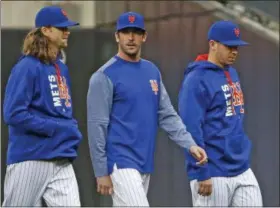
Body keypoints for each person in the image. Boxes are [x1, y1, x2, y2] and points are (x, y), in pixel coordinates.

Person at [87, 11, 208, 207]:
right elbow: (96, 126)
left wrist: (190, 144)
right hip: (120, 162)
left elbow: (167, 114)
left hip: (144, 161)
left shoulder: (152, 71)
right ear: (117, 36)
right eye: (126, 32)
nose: (131, 37)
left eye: (136, 32)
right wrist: (101, 171)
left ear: (144, 36)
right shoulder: (104, 76)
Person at [2, 6, 82, 207]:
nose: (67, 32)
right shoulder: (27, 67)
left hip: (61, 158)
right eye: (61, 28)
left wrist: (68, 128)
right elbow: (13, 114)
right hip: (31, 158)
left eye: (67, 28)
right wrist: (56, 128)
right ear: (46, 30)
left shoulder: (61, 67)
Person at [178, 20, 263, 207]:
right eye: (229, 46)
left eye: (237, 47)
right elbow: (190, 128)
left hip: (241, 168)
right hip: (213, 171)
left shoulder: (232, 72)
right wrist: (201, 172)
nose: (234, 51)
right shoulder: (196, 79)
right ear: (213, 45)